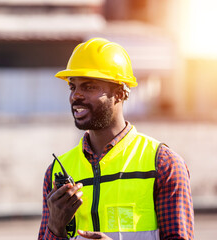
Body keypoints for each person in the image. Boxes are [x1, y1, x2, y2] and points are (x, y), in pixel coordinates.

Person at [38, 38, 194, 240]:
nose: (76, 96)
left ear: (120, 93)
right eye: (72, 87)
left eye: (89, 87)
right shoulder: (56, 172)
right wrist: (55, 227)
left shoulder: (164, 165)